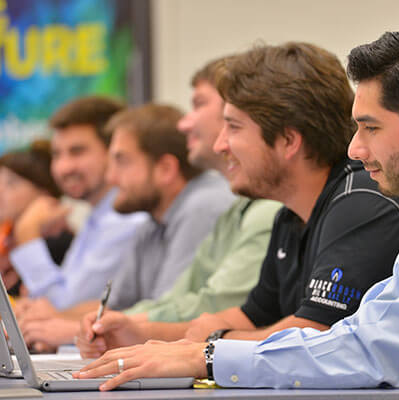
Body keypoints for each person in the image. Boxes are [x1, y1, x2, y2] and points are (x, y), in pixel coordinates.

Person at [76, 26, 399, 399]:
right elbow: (361, 332)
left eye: (371, 128)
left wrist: (208, 356)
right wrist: (195, 351)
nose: (354, 149)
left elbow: (380, 349)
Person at [76, 42, 399, 357]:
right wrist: (140, 332)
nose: (222, 146)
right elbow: (251, 317)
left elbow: (316, 333)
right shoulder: (290, 215)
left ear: (287, 140)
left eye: (234, 128)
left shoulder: (362, 202)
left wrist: (205, 346)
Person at [72, 57, 282, 357]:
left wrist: (129, 328)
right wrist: (120, 325)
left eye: (198, 104)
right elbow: (178, 301)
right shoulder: (236, 208)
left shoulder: (211, 204)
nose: (184, 123)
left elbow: (211, 307)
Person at [20, 103, 237, 350]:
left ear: (165, 169)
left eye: (121, 161)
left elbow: (169, 310)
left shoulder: (202, 205)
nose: (111, 178)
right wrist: (57, 322)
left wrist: (68, 328)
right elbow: (116, 306)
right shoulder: (152, 218)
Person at [9, 97, 148, 315]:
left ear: (114, 150)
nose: (63, 167)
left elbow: (64, 309)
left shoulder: (126, 220)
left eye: (77, 151)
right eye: (57, 154)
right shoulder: (97, 217)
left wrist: (27, 234)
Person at [0, 140, 73, 297]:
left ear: (44, 193)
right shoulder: (8, 239)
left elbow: (56, 305)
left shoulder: (60, 243)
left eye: (11, 184)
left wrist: (27, 231)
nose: (0, 191)